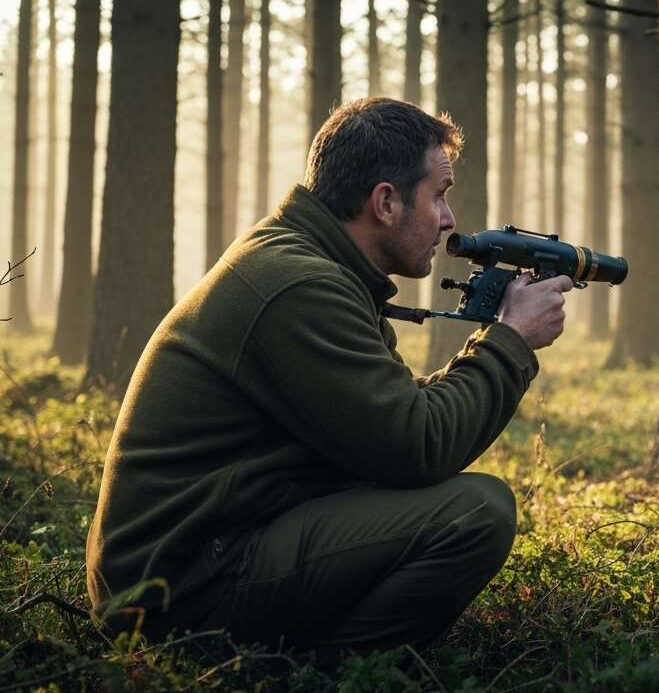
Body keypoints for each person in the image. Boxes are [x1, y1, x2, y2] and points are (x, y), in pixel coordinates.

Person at [85, 97, 572, 655]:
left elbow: (386, 423)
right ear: (385, 202)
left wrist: (500, 340)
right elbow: (419, 445)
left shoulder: (315, 264)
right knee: (477, 512)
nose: (448, 219)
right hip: (180, 591)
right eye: (438, 195)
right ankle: (327, 674)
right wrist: (510, 339)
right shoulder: (301, 286)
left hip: (198, 558)